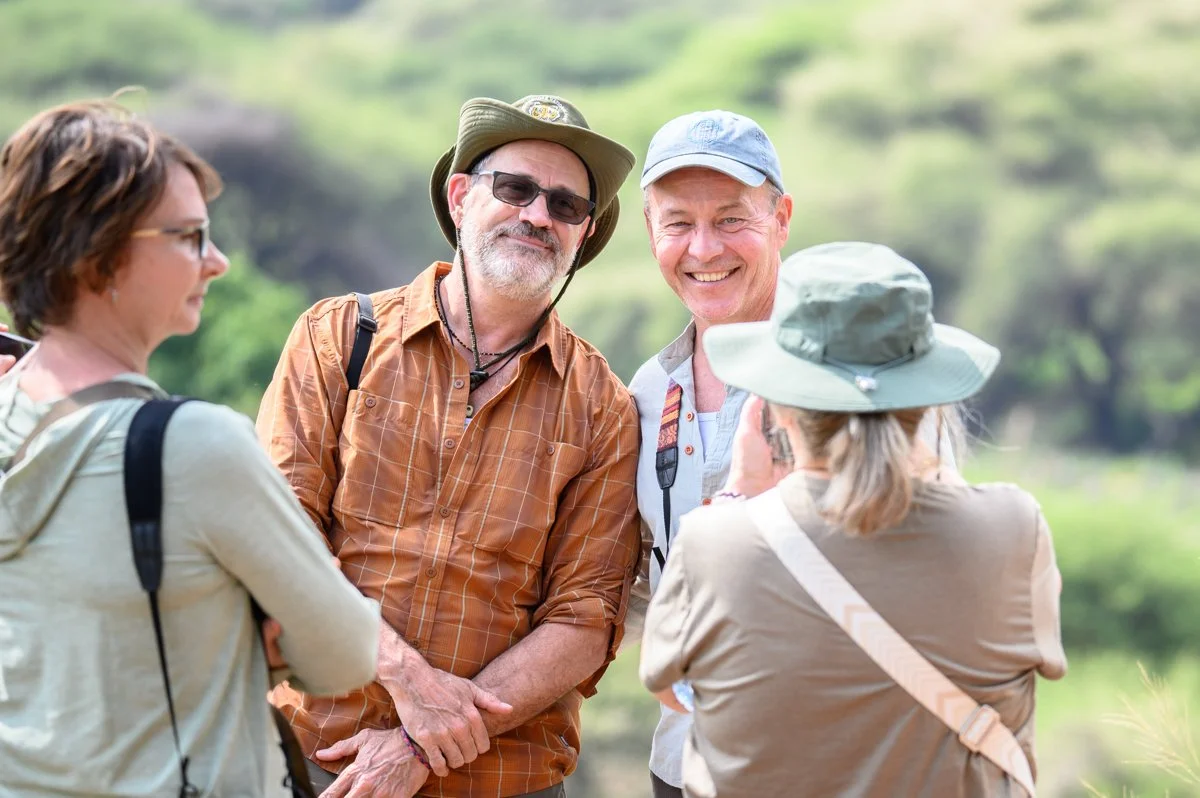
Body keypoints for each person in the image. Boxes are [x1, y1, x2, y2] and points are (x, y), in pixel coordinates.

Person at [256, 94, 642, 797]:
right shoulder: (341, 336)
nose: (537, 216)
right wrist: (406, 677)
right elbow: (278, 541)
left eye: (564, 205)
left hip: (501, 779)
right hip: (314, 762)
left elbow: (585, 619)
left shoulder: (604, 407)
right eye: (516, 188)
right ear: (461, 197)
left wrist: (419, 744)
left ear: (583, 235)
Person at [0, 100, 380, 797]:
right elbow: (347, 653)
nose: (218, 261)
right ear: (98, 256)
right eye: (188, 236)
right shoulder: (193, 446)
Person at [639, 241, 1067, 797]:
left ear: (777, 406)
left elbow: (676, 692)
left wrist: (740, 494)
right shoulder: (1015, 528)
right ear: (926, 395)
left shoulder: (713, 541)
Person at [624, 110, 957, 798]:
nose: (705, 248)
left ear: (782, 219)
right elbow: (640, 580)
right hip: (685, 767)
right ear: (650, 231)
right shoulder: (648, 391)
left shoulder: (861, 368)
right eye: (679, 222)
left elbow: (931, 562)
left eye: (732, 219)